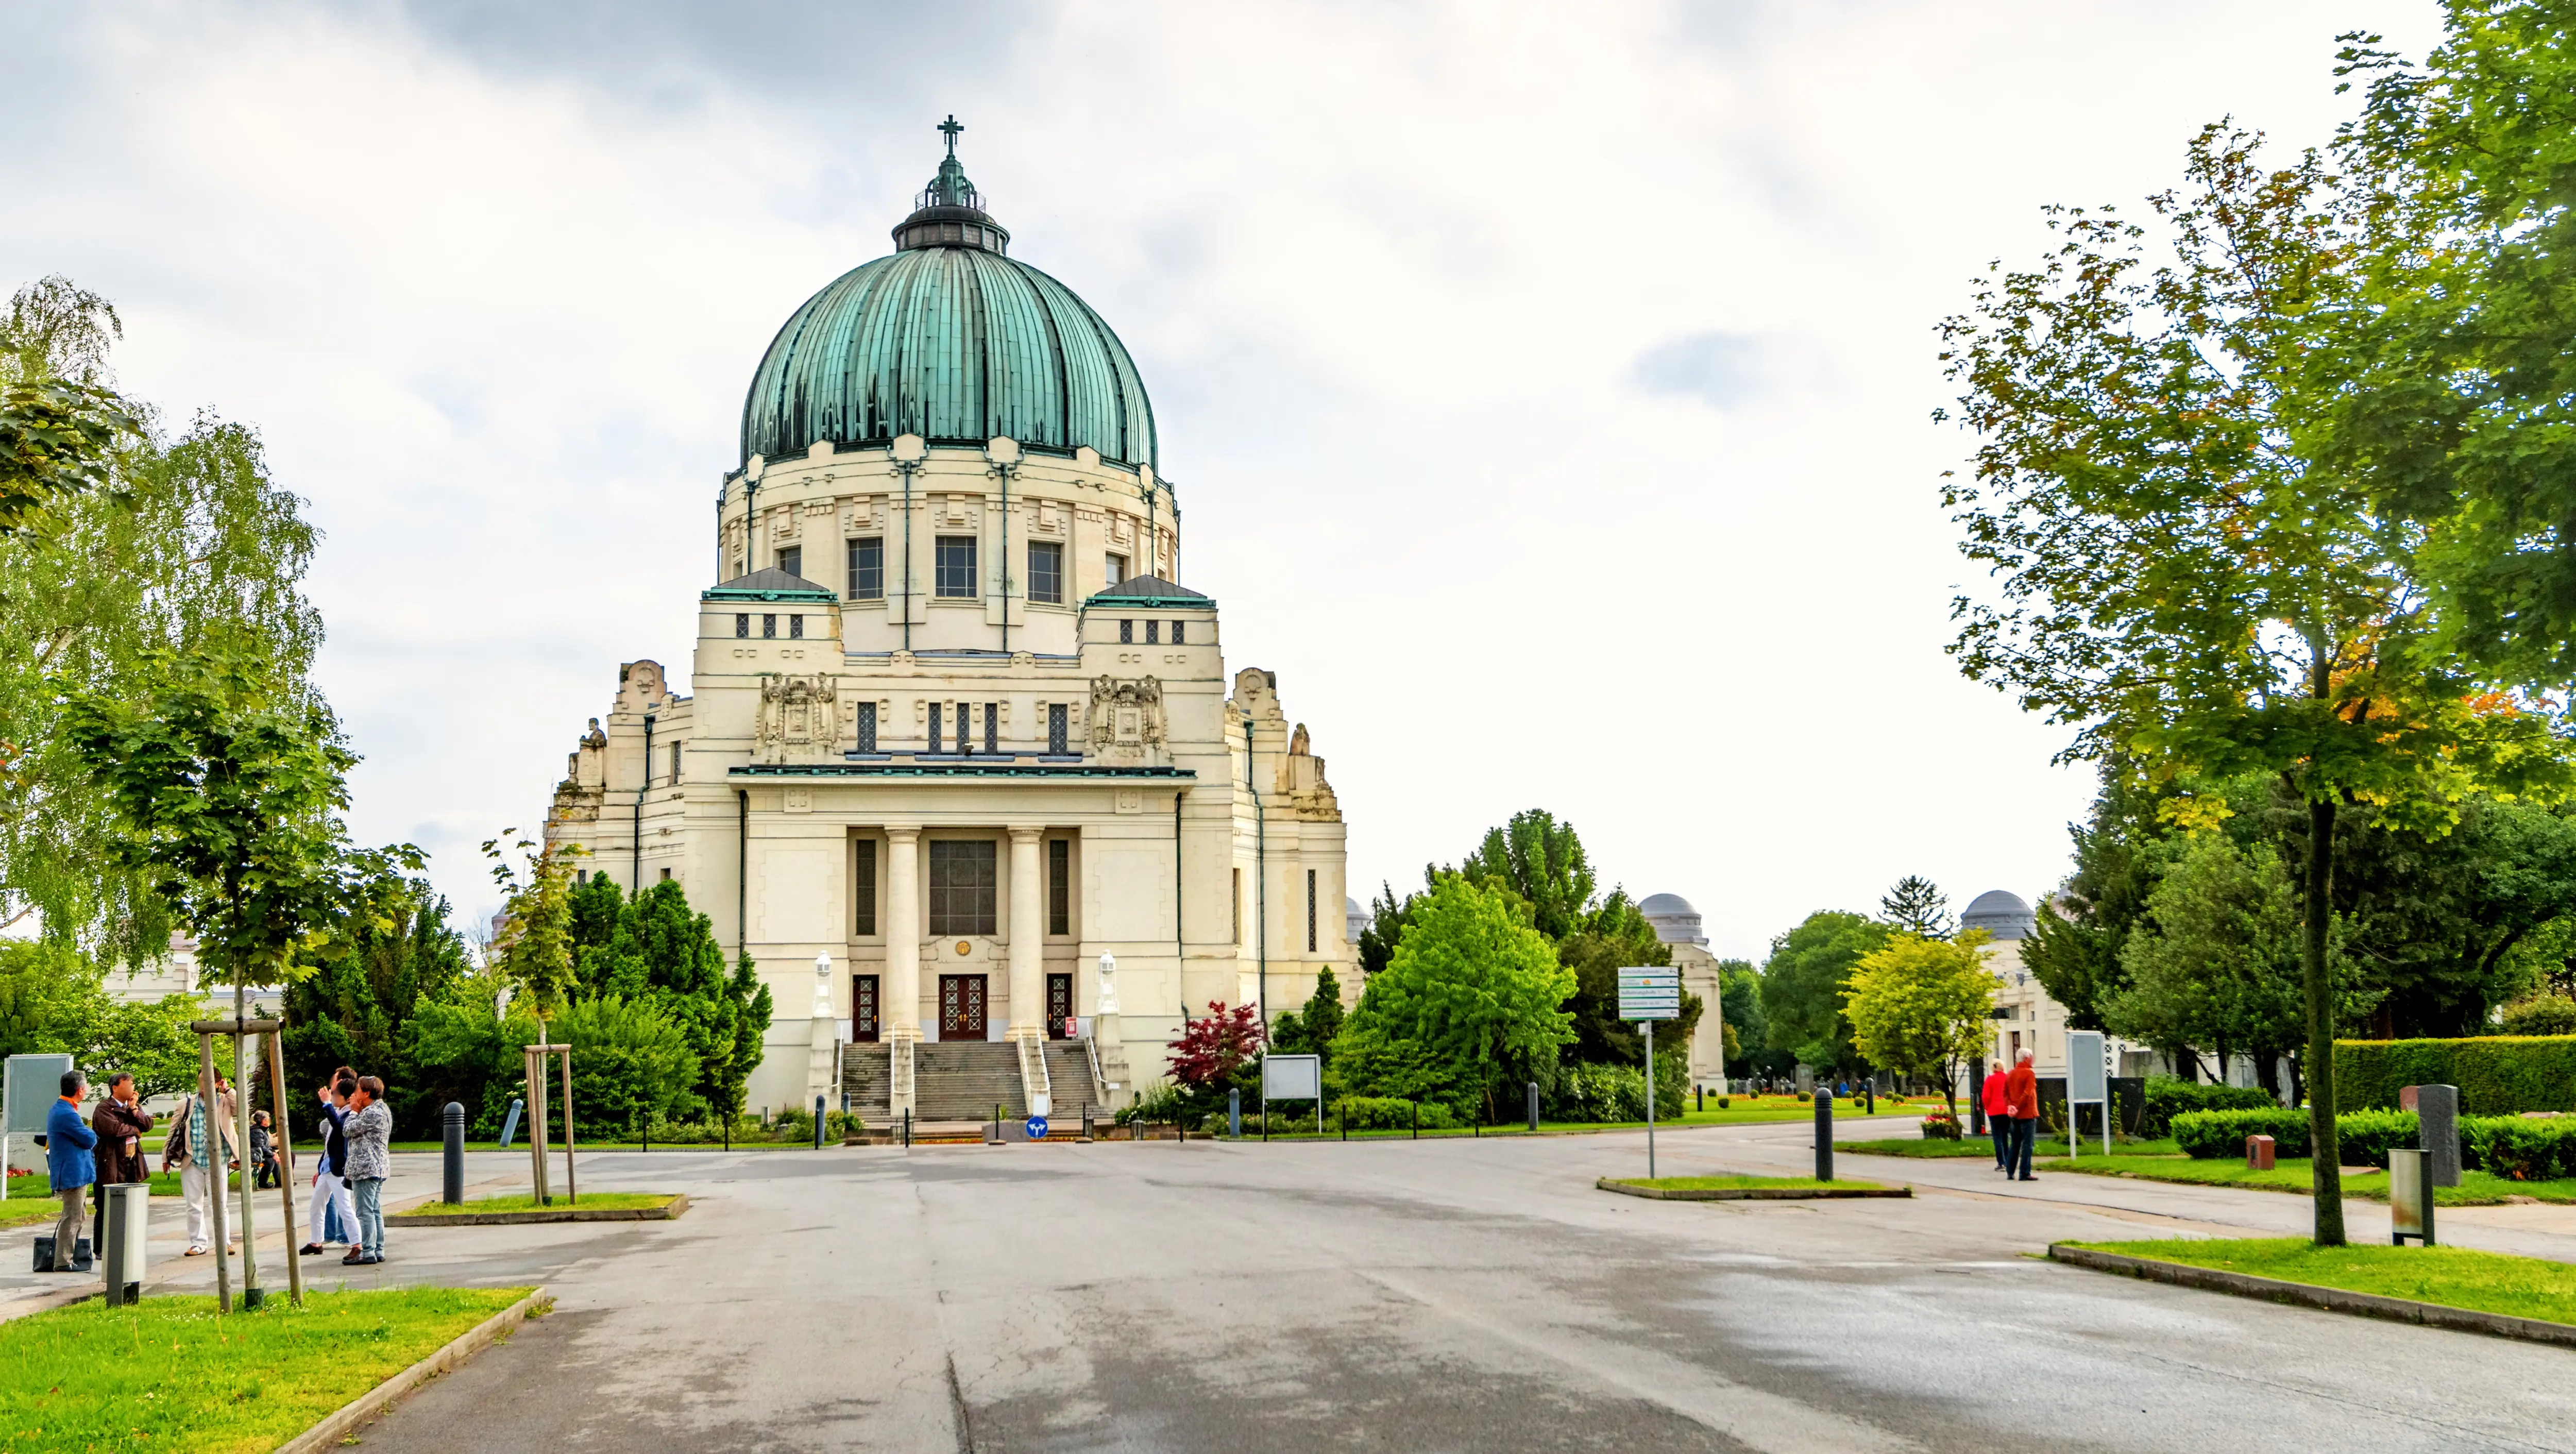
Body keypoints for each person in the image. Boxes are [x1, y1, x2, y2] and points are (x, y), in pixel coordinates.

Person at [163, 1073, 240, 1256]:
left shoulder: (225, 1101)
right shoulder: (186, 1104)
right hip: (192, 1160)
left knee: (220, 1204)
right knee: (193, 1204)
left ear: (218, 1083)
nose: (204, 1084)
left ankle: (224, 1242)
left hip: (218, 1160)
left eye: (209, 1081)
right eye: (202, 1080)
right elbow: (173, 1131)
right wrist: (165, 1157)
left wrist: (228, 1089)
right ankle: (198, 1243)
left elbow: (242, 1109)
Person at [44, 1070, 98, 1272]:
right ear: (80, 1090)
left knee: (79, 1216)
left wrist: (82, 1136)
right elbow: (90, 1139)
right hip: (72, 1173)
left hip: (76, 1171)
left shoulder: (62, 1109)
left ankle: (70, 1257)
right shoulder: (66, 1113)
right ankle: (63, 1261)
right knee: (73, 1217)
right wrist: (86, 1134)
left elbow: (83, 1138)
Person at [302, 1072, 358, 1257]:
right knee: (316, 1205)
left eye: (335, 1094)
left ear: (347, 1098)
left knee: (345, 1206)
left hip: (338, 1168)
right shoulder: (340, 1111)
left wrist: (327, 1105)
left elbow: (341, 1128)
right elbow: (328, 1144)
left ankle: (357, 1244)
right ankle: (316, 1242)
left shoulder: (350, 1113)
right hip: (328, 1166)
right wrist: (320, 1168)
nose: (332, 1097)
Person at [342, 1075, 393, 1266]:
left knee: (365, 1212)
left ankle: (369, 1251)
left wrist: (354, 1112)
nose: (354, 1094)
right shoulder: (381, 1109)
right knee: (374, 1210)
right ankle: (378, 1250)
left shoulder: (371, 1113)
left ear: (366, 1093)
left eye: (357, 1090)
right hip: (376, 1167)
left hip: (366, 1168)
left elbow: (348, 1130)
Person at [2004, 1049, 2040, 1181]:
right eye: (2031, 1057)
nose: (2033, 1059)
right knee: (2027, 1144)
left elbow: (2005, 1093)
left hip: (2014, 1115)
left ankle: (2010, 1171)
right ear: (2026, 1059)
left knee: (2014, 1143)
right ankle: (2025, 1172)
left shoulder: (2010, 1073)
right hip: (2028, 1113)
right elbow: (2028, 1093)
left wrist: (2011, 1106)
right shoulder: (2029, 1073)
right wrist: (2018, 1106)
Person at [1980, 1061, 2010, 1172]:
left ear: (1993, 1068)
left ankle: (2001, 1163)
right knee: (2005, 1137)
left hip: (1994, 1111)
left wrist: (1988, 1107)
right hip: (2006, 1110)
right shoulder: (2007, 1078)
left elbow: (1986, 1096)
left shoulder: (1990, 1079)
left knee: (1997, 1137)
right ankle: (2008, 1161)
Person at [249, 1111, 278, 1190]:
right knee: (271, 1160)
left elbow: (265, 1146)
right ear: (264, 1122)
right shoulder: (257, 1131)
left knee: (282, 1156)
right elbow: (261, 1147)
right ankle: (263, 1182)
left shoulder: (262, 1130)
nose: (270, 1121)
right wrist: (273, 1154)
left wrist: (274, 1153)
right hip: (255, 1155)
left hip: (259, 1153)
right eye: (269, 1120)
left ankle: (280, 1181)